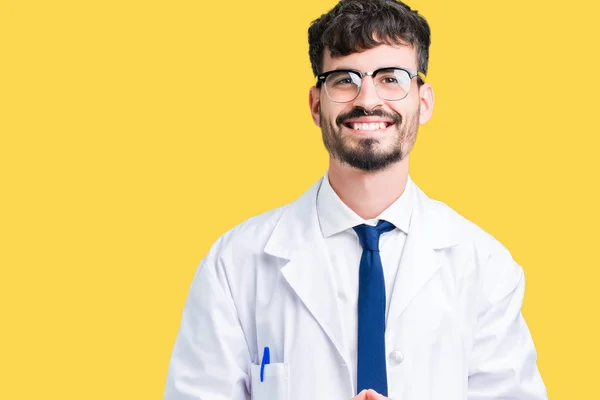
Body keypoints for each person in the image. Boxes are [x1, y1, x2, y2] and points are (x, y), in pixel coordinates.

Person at [163, 0, 548, 399]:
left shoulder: (484, 267)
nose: (367, 99)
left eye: (391, 78)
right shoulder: (235, 264)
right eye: (344, 79)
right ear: (316, 104)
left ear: (425, 100)